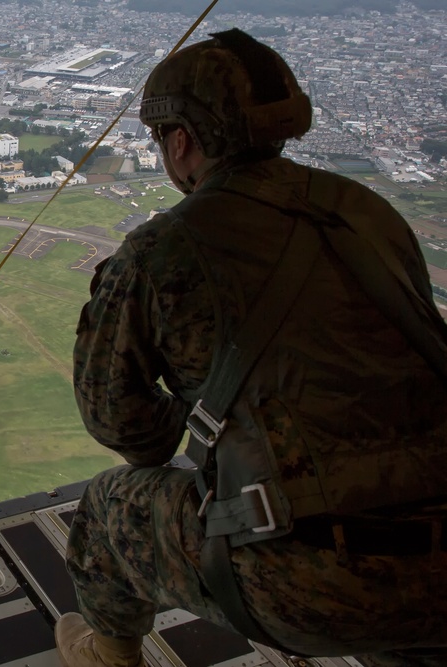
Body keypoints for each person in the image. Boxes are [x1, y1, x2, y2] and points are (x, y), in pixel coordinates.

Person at [56, 29, 447, 667]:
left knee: (107, 508)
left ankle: (106, 655)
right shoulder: (369, 213)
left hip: (312, 585)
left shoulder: (163, 252)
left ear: (181, 141)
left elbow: (122, 426)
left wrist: (206, 413)